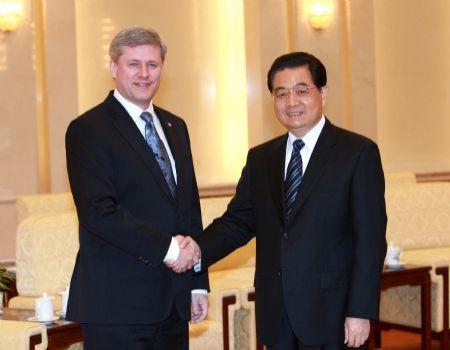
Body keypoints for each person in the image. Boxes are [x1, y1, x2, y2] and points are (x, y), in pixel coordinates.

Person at [194, 52, 387, 349]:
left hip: (333, 314)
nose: (291, 102)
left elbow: (370, 240)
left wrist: (360, 311)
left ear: (323, 92)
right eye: (281, 93)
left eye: (301, 90)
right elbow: (237, 223)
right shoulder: (261, 158)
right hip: (276, 312)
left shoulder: (357, 153)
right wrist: (193, 254)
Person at [65, 26, 208, 350]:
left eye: (152, 65)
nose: (144, 74)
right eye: (133, 64)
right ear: (114, 68)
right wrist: (171, 251)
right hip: (117, 307)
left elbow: (187, 207)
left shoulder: (176, 126)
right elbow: (98, 213)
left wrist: (198, 283)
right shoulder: (88, 130)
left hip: (173, 302)